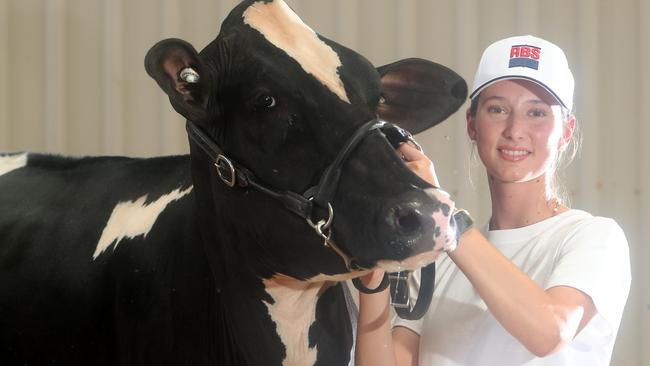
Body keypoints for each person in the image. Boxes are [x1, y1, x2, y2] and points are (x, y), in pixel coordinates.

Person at [355, 35, 631, 366]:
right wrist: (372, 274)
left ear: (566, 130)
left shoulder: (593, 238)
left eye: (537, 112)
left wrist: (445, 216)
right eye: (498, 109)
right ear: (472, 124)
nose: (515, 129)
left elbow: (550, 331)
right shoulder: (437, 260)